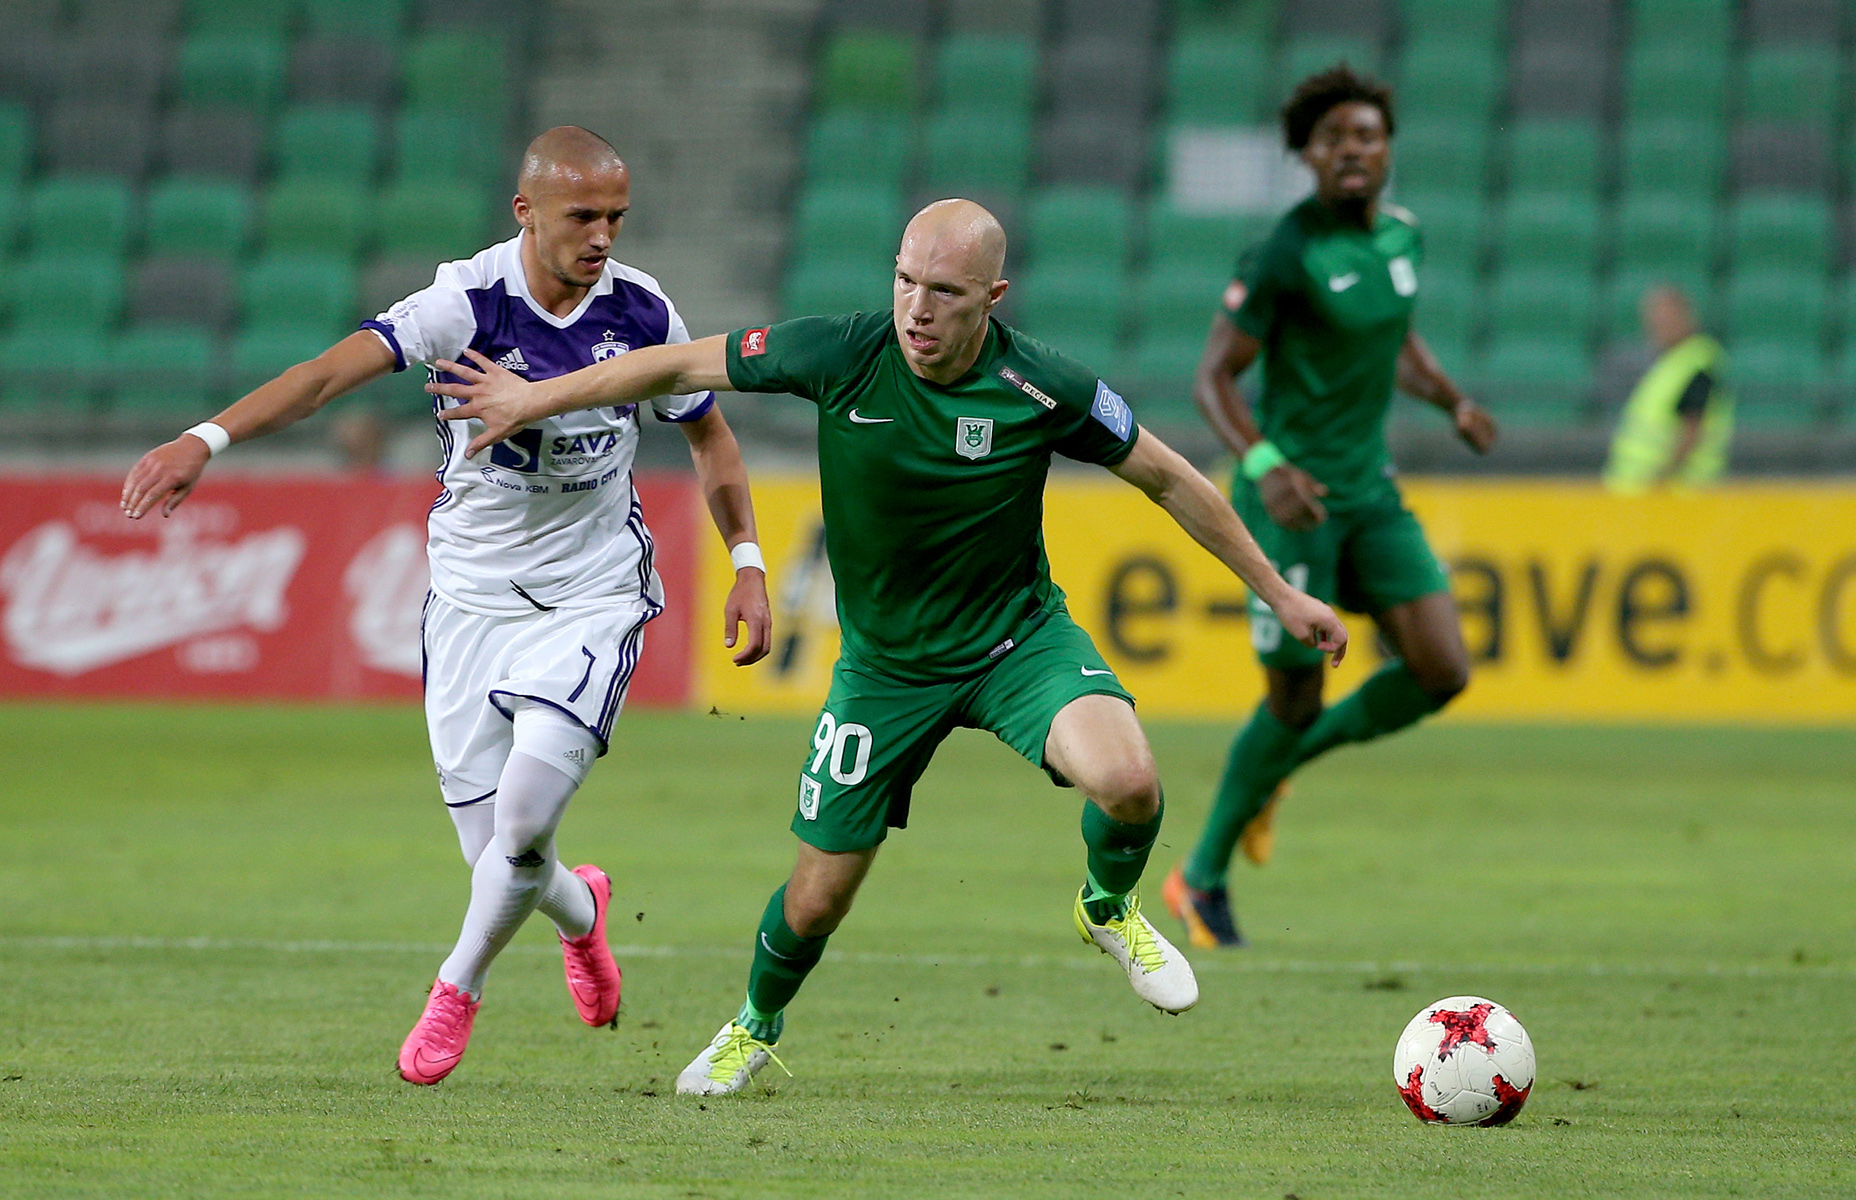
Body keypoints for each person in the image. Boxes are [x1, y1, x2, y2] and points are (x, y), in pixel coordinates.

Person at [423, 198, 1350, 1096]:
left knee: (1131, 782)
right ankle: (755, 1023)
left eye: (945, 291)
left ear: (993, 297)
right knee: (816, 901)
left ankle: (1107, 906)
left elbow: (1169, 478)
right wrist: (535, 395)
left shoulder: (1044, 386)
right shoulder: (843, 351)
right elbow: (674, 365)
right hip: (885, 673)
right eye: (905, 281)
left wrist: (1279, 591)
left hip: (1016, 642)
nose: (916, 308)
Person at [119, 127, 773, 1086]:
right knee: (503, 856)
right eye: (582, 216)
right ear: (526, 212)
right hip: (469, 600)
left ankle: (455, 990)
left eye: (616, 217)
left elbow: (709, 436)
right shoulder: (462, 303)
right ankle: (584, 914)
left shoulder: (642, 311)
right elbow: (324, 377)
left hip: (592, 593)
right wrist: (204, 439)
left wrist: (747, 560)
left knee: (522, 821)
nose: (602, 236)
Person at [1161, 65, 1497, 949]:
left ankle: (1276, 773)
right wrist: (1265, 462)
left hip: (1368, 492)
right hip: (1292, 502)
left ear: (1388, 150)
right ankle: (1200, 877)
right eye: (1334, 138)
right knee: (1295, 699)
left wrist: (1454, 401)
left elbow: (1397, 341)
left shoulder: (1404, 237)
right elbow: (1213, 378)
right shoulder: (1285, 252)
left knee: (1442, 669)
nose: (1352, 150)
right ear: (1307, 155)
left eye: (1367, 136)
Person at [1604, 286, 1733, 492]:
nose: (1658, 325)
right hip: (1641, 492)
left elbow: (1692, 429)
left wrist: (1660, 480)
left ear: (1686, 317)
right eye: (1654, 319)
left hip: (1675, 494)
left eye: (1667, 318)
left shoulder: (1697, 363)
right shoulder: (1672, 361)